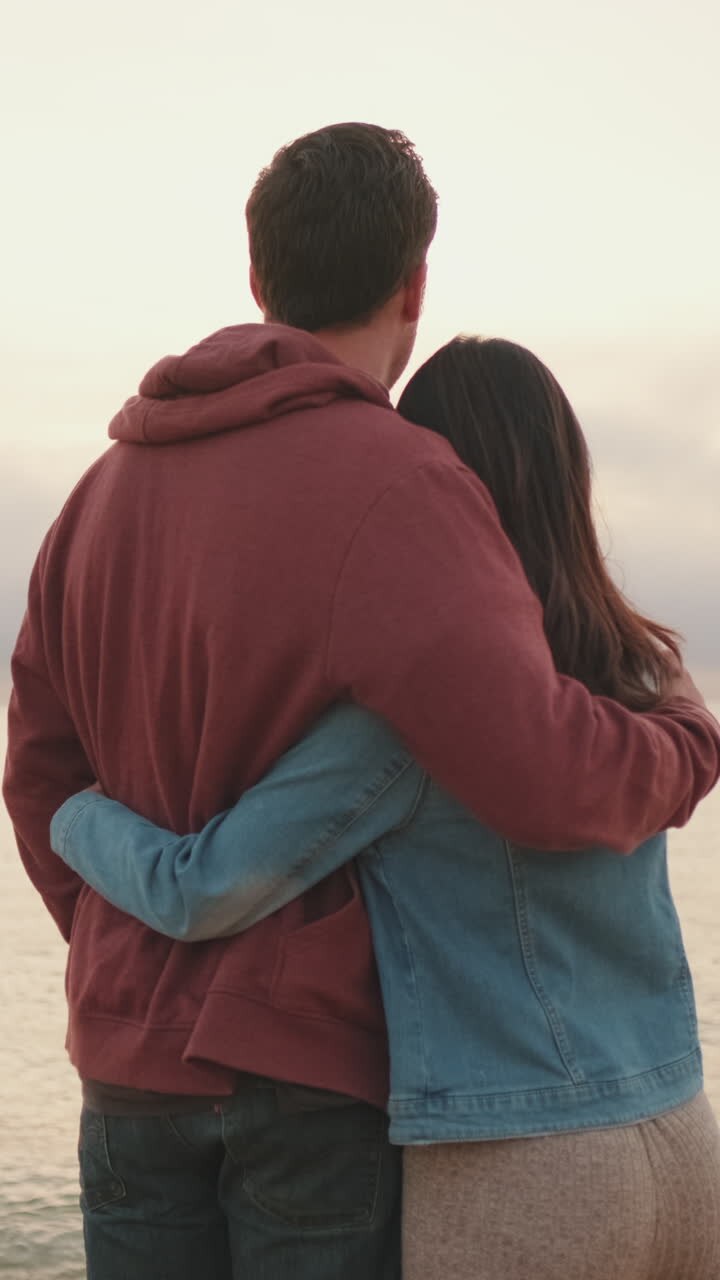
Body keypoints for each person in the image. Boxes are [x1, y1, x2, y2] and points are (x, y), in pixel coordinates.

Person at [3, 119, 720, 1280]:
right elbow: (537, 768)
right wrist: (685, 743)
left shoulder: (90, 500)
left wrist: (116, 955)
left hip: (123, 1067)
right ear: (414, 280)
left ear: (258, 275)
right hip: (308, 1078)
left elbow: (40, 777)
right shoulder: (405, 482)